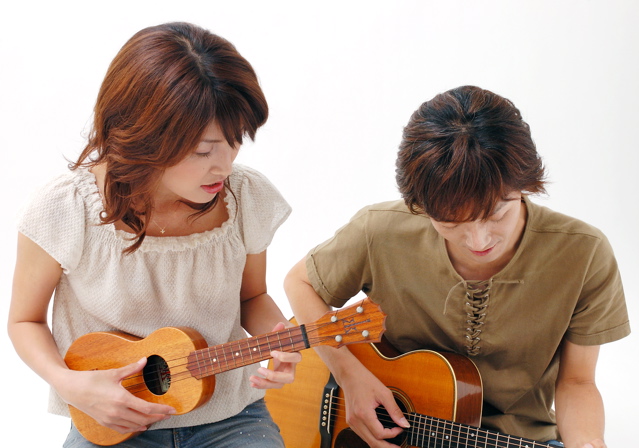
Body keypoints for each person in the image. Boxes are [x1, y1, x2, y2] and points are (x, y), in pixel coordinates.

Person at [284, 85, 630, 448]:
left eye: (497, 214)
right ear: (420, 206)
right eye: (450, 223)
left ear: (525, 185)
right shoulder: (379, 231)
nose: (479, 241)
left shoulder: (584, 253)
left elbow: (577, 382)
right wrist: (349, 375)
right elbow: (300, 283)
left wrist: (588, 442)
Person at [8, 22, 301, 448]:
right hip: (113, 423)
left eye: (235, 140)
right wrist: (70, 385)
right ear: (144, 138)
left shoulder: (244, 198)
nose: (224, 165)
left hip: (230, 415)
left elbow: (251, 297)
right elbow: (24, 320)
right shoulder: (65, 209)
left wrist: (277, 342)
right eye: (203, 150)